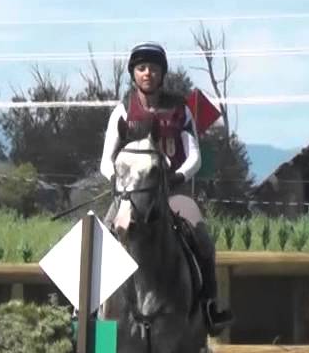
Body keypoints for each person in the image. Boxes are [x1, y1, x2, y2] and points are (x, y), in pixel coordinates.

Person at [99, 41, 234, 335]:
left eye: (153, 69)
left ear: (162, 74)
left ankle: (210, 308)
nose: (147, 73)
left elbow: (195, 155)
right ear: (133, 73)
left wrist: (178, 177)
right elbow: (105, 162)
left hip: (172, 194)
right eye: (141, 68)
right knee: (100, 240)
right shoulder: (122, 111)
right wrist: (116, 182)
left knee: (202, 239)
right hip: (130, 195)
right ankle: (84, 311)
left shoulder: (179, 109)